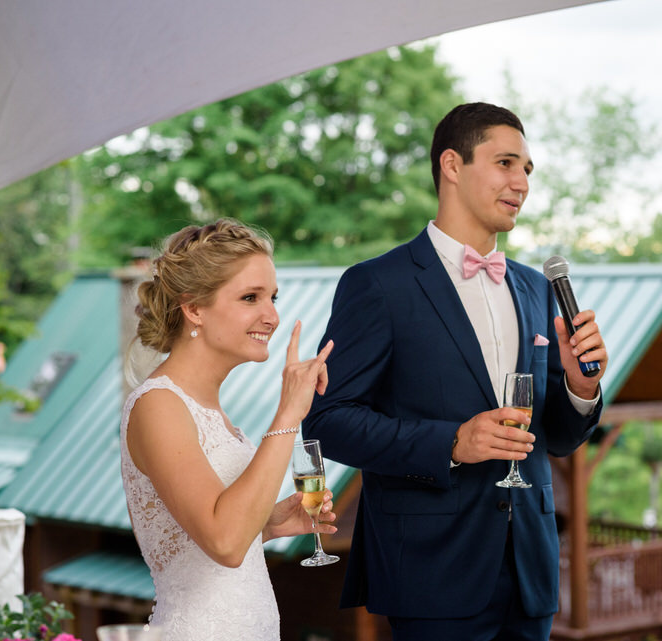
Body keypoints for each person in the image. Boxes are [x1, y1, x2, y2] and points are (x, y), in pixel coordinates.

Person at [304, 102, 608, 640]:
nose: (522, 182)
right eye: (506, 163)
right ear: (452, 164)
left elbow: (555, 439)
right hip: (431, 572)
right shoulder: (377, 285)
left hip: (530, 571)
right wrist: (452, 442)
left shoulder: (536, 289)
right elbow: (328, 422)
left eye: (528, 170)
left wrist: (582, 389)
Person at [120, 219, 336, 641]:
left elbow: (208, 534)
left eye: (273, 297)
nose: (271, 315)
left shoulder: (211, 410)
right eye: (250, 297)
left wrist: (268, 524)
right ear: (194, 308)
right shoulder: (158, 405)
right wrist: (288, 412)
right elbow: (224, 542)